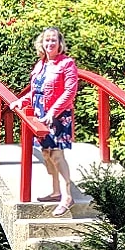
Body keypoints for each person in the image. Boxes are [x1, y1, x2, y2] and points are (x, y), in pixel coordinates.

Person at [13, 27, 78, 217]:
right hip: (40, 113)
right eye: (47, 40)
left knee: (57, 155)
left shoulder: (67, 64)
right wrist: (22, 101)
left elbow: (69, 91)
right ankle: (55, 191)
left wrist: (53, 112)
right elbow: (36, 90)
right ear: (42, 43)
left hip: (58, 115)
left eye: (53, 41)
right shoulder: (40, 64)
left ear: (60, 44)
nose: (50, 44)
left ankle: (67, 196)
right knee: (47, 154)